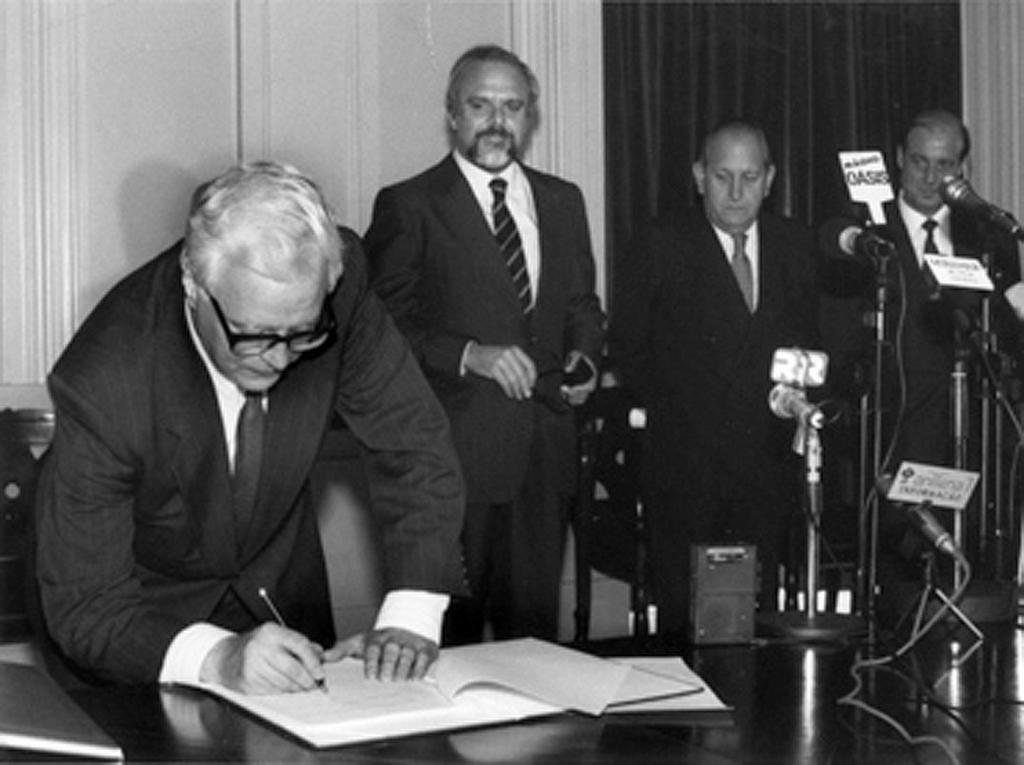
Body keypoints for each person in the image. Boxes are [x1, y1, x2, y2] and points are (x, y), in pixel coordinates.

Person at [35, 161, 466, 693]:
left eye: (302, 333)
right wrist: (217, 658)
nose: (279, 360)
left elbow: (412, 439)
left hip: (284, 596)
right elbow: (89, 605)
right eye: (252, 334)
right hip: (145, 629)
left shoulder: (339, 282)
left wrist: (410, 616)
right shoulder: (106, 380)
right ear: (194, 283)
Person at [364, 45, 606, 644]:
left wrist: (586, 358)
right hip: (452, 463)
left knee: (536, 648)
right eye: (481, 105)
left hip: (544, 459)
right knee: (450, 649)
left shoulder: (563, 200)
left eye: (513, 106)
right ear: (452, 113)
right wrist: (471, 354)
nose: (497, 121)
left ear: (530, 117)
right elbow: (381, 327)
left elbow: (582, 306)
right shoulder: (410, 204)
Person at [610, 119, 819, 637]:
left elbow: (815, 343)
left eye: (750, 177)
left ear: (770, 179)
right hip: (686, 467)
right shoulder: (661, 242)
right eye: (723, 176)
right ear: (699, 175)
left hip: (767, 469)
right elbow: (629, 348)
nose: (736, 192)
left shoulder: (796, 244)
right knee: (686, 622)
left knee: (759, 618)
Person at [822, 109, 1023, 601]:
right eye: (919, 162)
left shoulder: (988, 237)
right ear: (896, 161)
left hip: (972, 450)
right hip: (892, 448)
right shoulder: (866, 235)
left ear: (964, 169)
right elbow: (840, 341)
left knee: (971, 599)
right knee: (898, 604)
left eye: (946, 165)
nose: (932, 178)